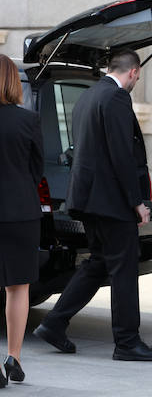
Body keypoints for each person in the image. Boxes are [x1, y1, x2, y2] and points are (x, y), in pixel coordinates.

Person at [33, 49, 152, 361]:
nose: (135, 82)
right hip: (111, 201)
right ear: (133, 72)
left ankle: (54, 323)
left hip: (88, 199)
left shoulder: (89, 96)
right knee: (124, 267)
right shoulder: (117, 98)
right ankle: (127, 342)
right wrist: (137, 202)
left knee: (99, 262)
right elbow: (121, 154)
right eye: (137, 77)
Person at [0, 54, 44, 385]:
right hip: (21, 213)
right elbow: (36, 171)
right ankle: (13, 357)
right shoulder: (29, 121)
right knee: (18, 288)